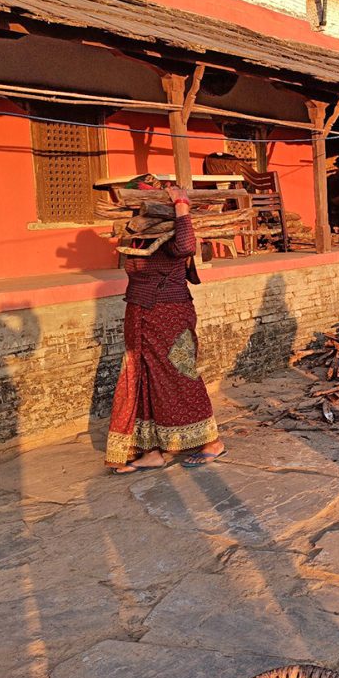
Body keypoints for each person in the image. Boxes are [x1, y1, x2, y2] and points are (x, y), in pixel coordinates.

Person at [105, 184, 227, 473]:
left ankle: (212, 442)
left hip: (170, 315)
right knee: (142, 378)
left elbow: (186, 246)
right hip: (139, 314)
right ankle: (152, 450)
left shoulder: (174, 233)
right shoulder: (138, 236)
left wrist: (182, 207)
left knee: (179, 373)